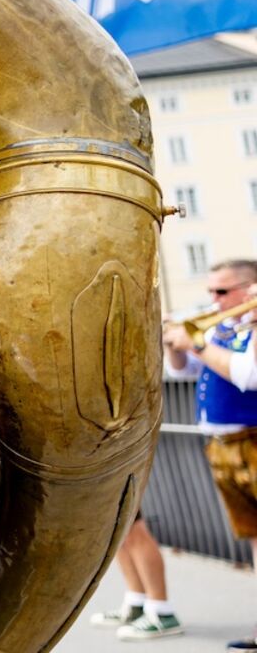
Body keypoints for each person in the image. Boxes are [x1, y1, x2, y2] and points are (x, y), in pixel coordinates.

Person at [163, 257, 257, 647]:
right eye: (211, 291)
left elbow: (247, 376)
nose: (214, 299)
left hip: (252, 440)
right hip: (223, 446)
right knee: (253, 537)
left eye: (223, 291)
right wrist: (175, 346)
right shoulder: (224, 327)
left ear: (248, 288)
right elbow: (183, 373)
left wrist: (197, 344)